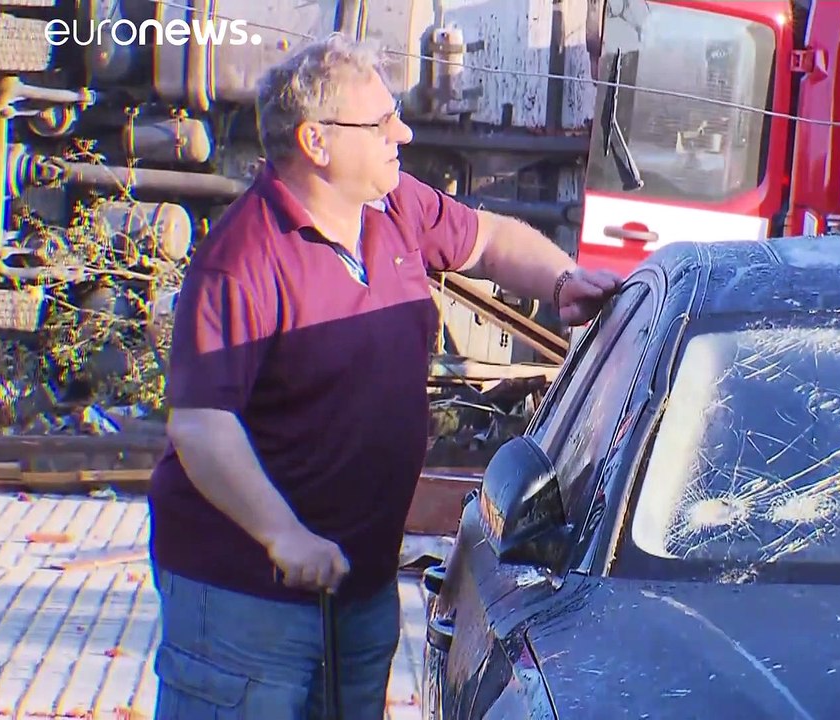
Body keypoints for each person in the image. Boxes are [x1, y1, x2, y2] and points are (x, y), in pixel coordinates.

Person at [146, 32, 621, 719]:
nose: (402, 132)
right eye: (380, 122)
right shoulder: (243, 259)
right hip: (244, 602)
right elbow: (201, 426)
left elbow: (488, 240)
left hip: (359, 584)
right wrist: (283, 535)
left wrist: (561, 281)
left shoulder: (394, 207)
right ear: (316, 142)